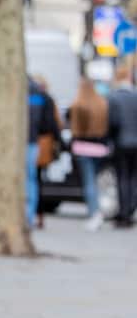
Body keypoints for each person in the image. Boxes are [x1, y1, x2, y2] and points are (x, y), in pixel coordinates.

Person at [67, 78, 109, 231]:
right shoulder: (102, 104)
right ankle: (98, 209)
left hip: (83, 147)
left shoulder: (78, 105)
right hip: (99, 148)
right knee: (96, 181)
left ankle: (94, 213)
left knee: (89, 182)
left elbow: (75, 129)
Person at [107, 63, 137, 227]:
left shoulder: (114, 97)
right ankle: (131, 209)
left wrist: (109, 140)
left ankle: (124, 212)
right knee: (133, 178)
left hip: (121, 143)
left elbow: (112, 122)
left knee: (122, 178)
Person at [32, 74, 62, 229]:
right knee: (37, 179)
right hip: (44, 143)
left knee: (32, 179)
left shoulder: (34, 97)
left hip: (36, 142)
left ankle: (33, 214)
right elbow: (55, 124)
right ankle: (38, 214)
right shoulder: (48, 99)